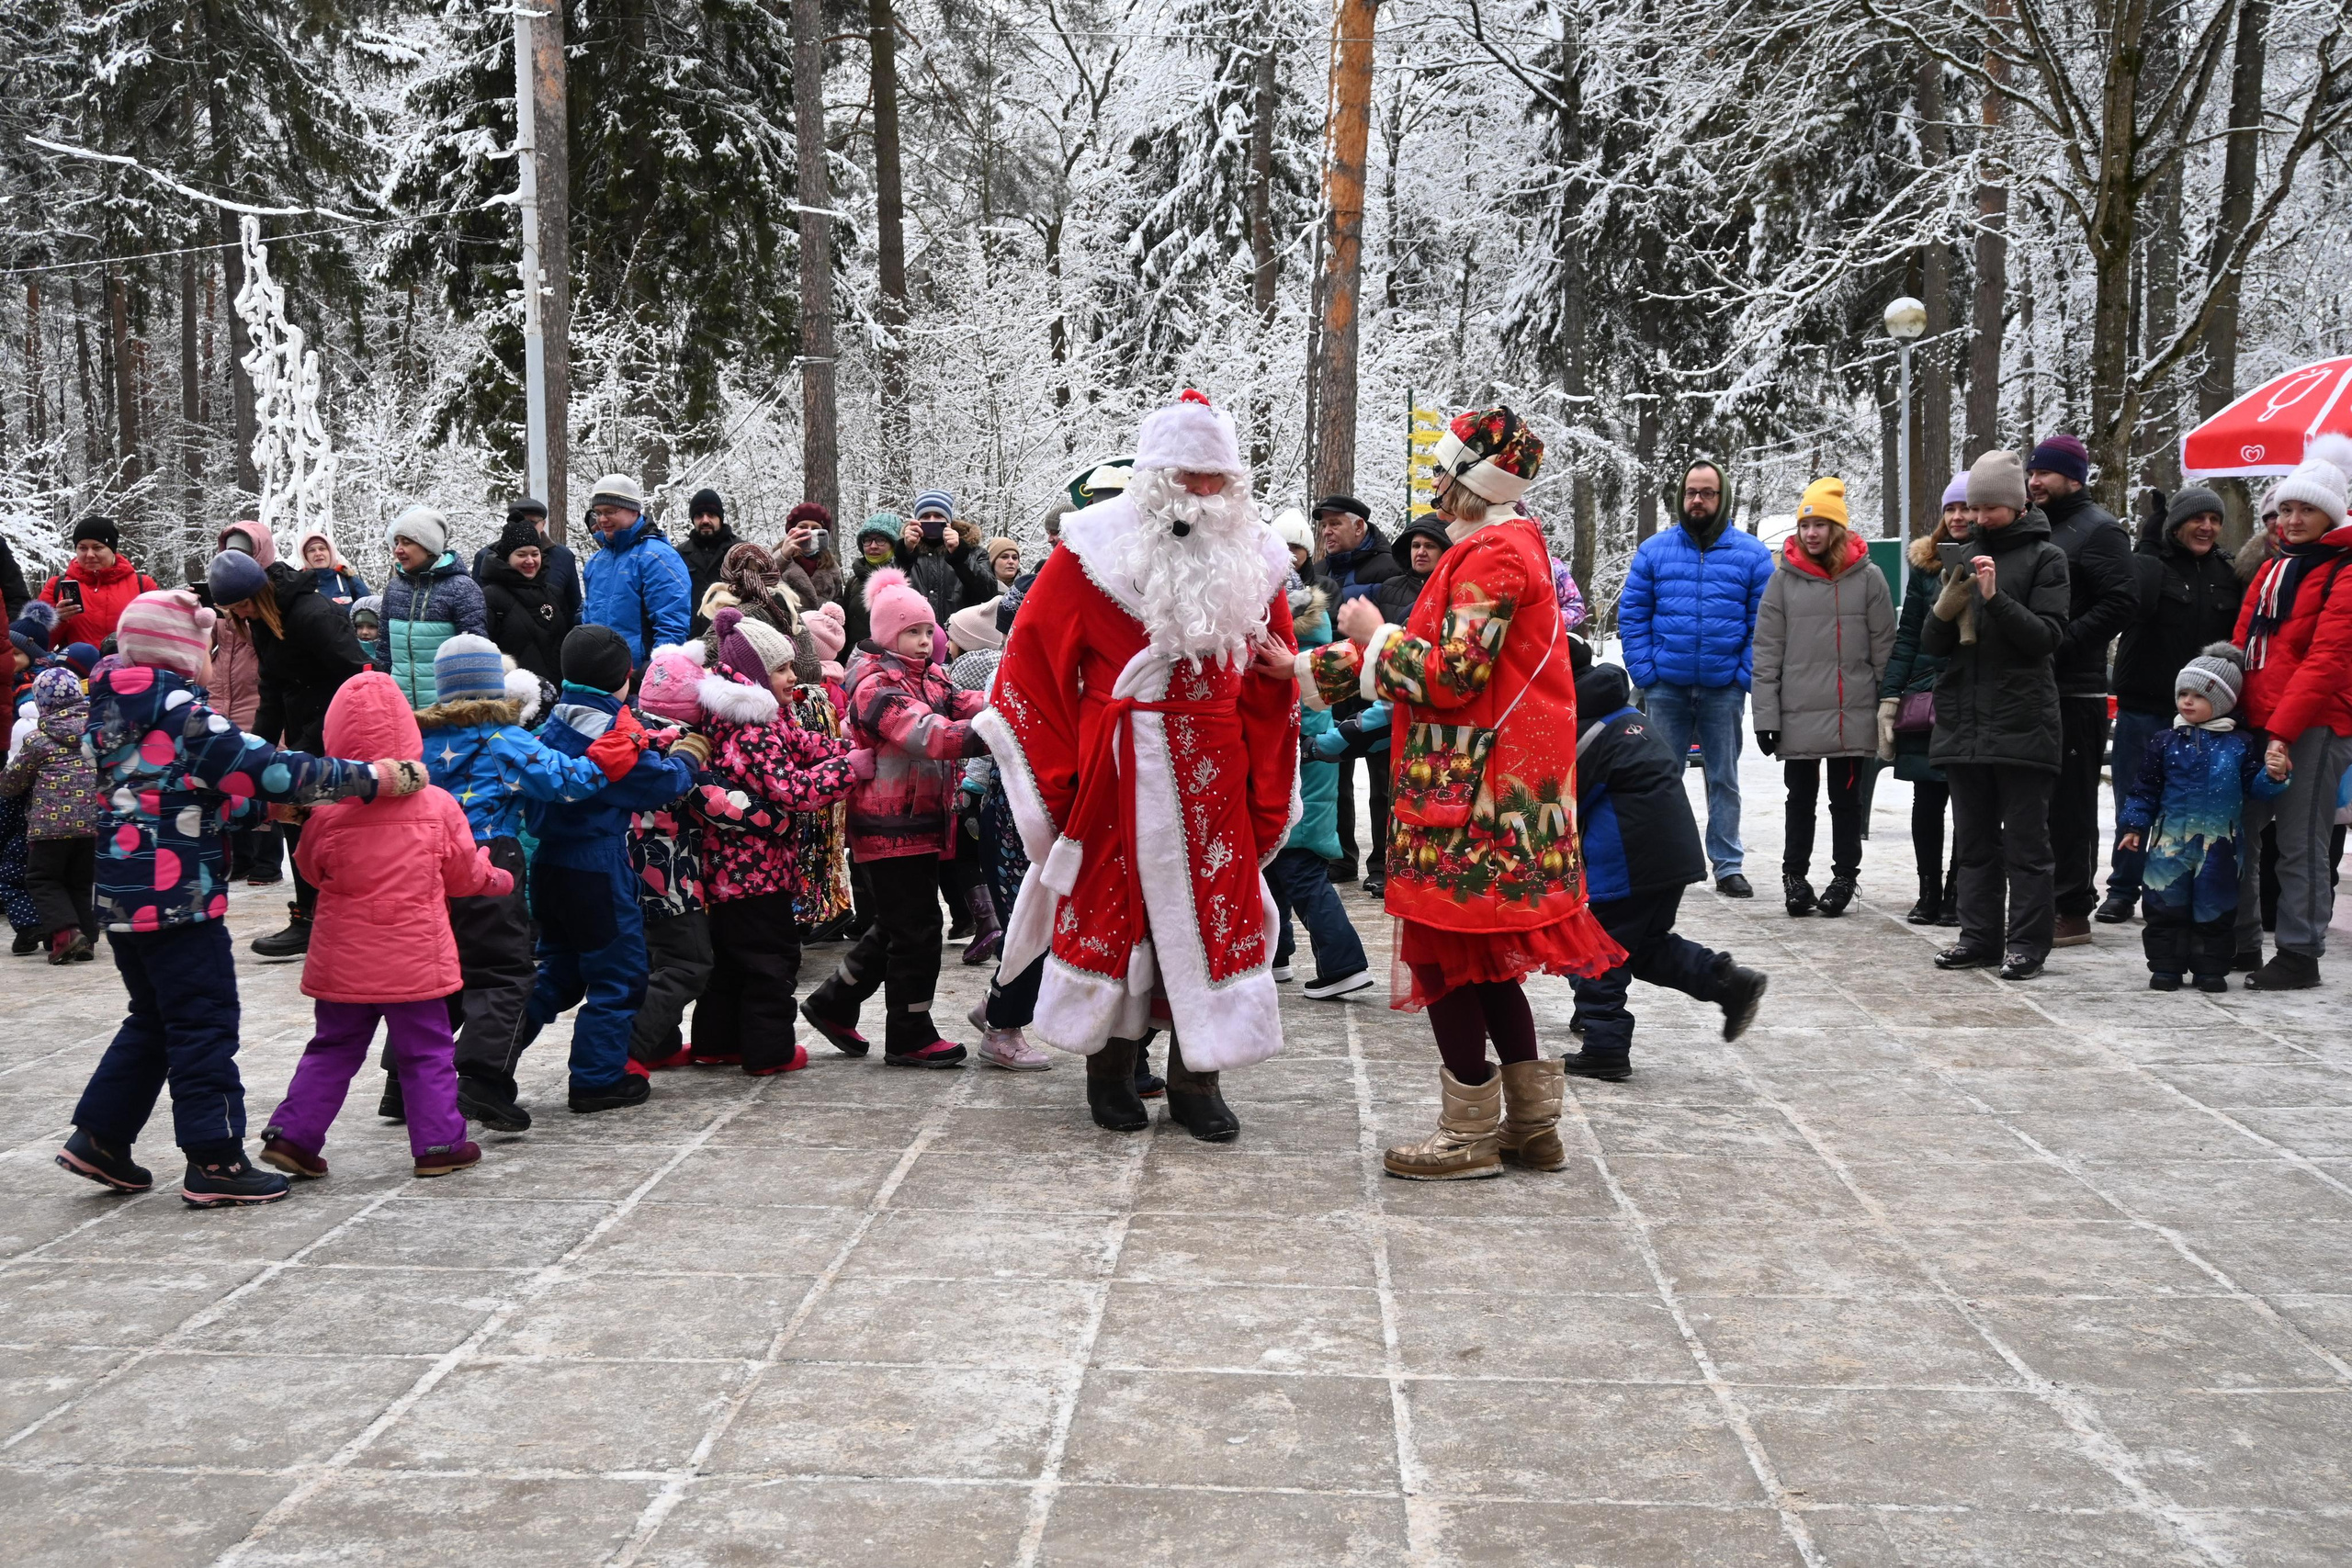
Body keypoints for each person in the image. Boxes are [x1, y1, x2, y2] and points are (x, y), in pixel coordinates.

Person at [1296, 407, 1623, 1179]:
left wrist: (1373, 632)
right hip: (1486, 790)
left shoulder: (1491, 557)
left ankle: (1468, 1133)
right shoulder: (1506, 546)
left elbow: (1447, 672)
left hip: (1471, 800)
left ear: (1473, 481)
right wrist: (1308, 674)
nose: (1434, 483)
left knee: (1446, 962)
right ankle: (1533, 1126)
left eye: (1444, 470)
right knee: (1488, 965)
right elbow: (1437, 654)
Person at [977, 390, 1299, 1140]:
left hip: (1215, 769)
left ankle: (1198, 1077)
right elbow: (1031, 662)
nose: (1201, 492)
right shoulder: (1089, 551)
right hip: (1119, 768)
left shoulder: (1257, 560)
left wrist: (1265, 783)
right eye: (1187, 474)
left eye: (1215, 477)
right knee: (1122, 914)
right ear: (1154, 473)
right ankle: (1110, 1067)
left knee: (1216, 913)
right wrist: (1057, 780)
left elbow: (1272, 682)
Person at [53, 589, 424, 1208]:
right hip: (178, 902)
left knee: (154, 1018)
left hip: (122, 897)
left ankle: (100, 1136)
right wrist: (371, 777)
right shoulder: (180, 712)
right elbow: (271, 767)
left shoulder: (117, 712)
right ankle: (215, 1158)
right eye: (206, 646)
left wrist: (261, 809)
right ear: (181, 652)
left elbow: (177, 789)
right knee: (203, 1021)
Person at [255, 672, 510, 1183]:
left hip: (343, 959)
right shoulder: (437, 806)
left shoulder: (329, 813)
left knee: (332, 1048)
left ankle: (293, 1138)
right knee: (427, 1052)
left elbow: (309, 870)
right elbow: (462, 876)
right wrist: (496, 877)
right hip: (415, 959)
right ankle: (439, 1143)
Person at [402, 636, 636, 1132]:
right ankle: (483, 1079)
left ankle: (403, 1082)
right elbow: (563, 781)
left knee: (444, 973)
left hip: (431, 866)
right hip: (491, 862)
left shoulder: (421, 740)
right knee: (503, 973)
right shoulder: (499, 735)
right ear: (492, 683)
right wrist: (608, 759)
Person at [509, 626, 706, 1114]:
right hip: (594, 866)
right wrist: (687, 757)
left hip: (550, 868)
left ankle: (486, 1059)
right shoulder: (607, 730)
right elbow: (654, 784)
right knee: (620, 974)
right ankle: (597, 1079)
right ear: (626, 677)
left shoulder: (552, 722)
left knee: (560, 971)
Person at [799, 570, 989, 1068]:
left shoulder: (928, 675)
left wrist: (1005, 703)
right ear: (887, 634)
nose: (925, 640)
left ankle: (832, 1002)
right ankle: (910, 1031)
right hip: (889, 826)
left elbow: (959, 703)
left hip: (921, 822)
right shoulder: (876, 685)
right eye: (913, 632)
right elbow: (929, 734)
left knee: (899, 924)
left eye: (929, 631)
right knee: (918, 932)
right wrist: (992, 731)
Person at [1566, 645, 1769, 1080]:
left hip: (1628, 860)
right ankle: (1728, 983)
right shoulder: (1621, 714)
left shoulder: (1583, 730)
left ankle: (1605, 1046)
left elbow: (1558, 802)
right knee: (1643, 945)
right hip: (1668, 855)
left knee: (1598, 949)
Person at [692, 609, 867, 1073]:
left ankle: (717, 1042)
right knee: (772, 959)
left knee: (731, 960)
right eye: (782, 669)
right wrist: (853, 769)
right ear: (754, 675)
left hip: (730, 870)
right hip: (755, 871)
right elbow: (794, 789)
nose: (794, 677)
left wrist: (844, 745)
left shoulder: (756, 715)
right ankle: (769, 1051)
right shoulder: (754, 728)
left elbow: (803, 745)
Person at [1924, 450, 2072, 981]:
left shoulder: (2046, 558)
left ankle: (2028, 943)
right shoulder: (1959, 554)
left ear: (2015, 505)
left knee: (2028, 845)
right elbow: (1932, 645)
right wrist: (1945, 607)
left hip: (2023, 720)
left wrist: (1995, 598)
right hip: (1965, 721)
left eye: (1989, 508)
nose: (1978, 518)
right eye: (1972, 507)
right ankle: (1978, 937)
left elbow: (2047, 638)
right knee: (1973, 842)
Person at [1617, 459, 1776, 897]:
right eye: (1692, 492)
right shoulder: (1654, 550)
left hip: (1723, 688)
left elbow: (1763, 622)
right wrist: (1647, 673)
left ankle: (1727, 864)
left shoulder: (1751, 554)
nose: (1698, 500)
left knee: (1722, 777)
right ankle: (1664, 862)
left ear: (1722, 497)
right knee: (1662, 776)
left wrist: (1742, 674)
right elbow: (1632, 615)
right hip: (1665, 687)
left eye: (1707, 492)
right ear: (1681, 497)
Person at [208, 546, 373, 963]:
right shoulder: (263, 621)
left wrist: (316, 738)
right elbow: (273, 687)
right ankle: (311, 916)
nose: (241, 615)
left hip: (340, 731)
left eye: (243, 604)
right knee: (292, 812)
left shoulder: (313, 615)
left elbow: (358, 677)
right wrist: (258, 752)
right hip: (305, 733)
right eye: (232, 610)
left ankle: (339, 916)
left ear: (260, 591)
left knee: (335, 823)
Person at [2232, 434, 2352, 989]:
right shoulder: (2272, 569)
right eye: (2287, 508)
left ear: (2331, 514)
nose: (2294, 518)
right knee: (2241, 831)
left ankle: (2300, 952)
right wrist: (2224, 710)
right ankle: (2241, 939)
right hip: (2256, 719)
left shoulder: (2345, 569)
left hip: (2316, 722)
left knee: (2301, 840)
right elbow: (2243, 647)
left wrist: (2281, 731)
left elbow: (2328, 658)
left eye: (2307, 509)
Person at [2099, 486, 2248, 925]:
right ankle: (2123, 889)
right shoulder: (2151, 564)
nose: (2207, 527)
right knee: (2136, 800)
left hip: (2207, 716)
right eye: (2197, 519)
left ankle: (2177, 890)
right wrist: (2147, 545)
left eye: (2215, 521)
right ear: (2176, 524)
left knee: (2192, 806)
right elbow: (2136, 604)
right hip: (2145, 705)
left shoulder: (2228, 571)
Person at [1750, 478, 1894, 918]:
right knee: (1800, 798)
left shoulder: (1869, 579)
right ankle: (1795, 877)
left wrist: (1889, 709)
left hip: (1852, 712)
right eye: (1805, 524)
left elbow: (1884, 647)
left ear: (1838, 528)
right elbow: (1767, 652)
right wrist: (1765, 717)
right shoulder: (1782, 581)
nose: (1811, 533)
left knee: (1846, 800)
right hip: (1798, 713)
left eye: (1820, 524)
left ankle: (1844, 876)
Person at [2117, 644, 2290, 993]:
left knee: (2216, 907)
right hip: (2169, 844)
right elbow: (2145, 788)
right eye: (2183, 693)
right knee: (2164, 904)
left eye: (2199, 695)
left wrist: (2274, 776)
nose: (2187, 701)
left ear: (2224, 701)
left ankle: (2211, 969)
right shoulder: (2165, 741)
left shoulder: (2239, 744)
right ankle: (2166, 966)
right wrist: (2135, 825)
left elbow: (2253, 787)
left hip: (2220, 846)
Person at [2026, 434, 2138, 947]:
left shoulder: (2100, 530)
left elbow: (2120, 603)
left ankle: (2072, 908)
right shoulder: (2035, 526)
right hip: (2033, 685)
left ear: (2075, 477)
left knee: (2071, 804)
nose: (2034, 481)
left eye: (2045, 473)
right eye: (2032, 472)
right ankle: (2037, 900)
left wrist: (2059, 642)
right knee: (2037, 804)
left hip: (2077, 689)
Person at [1879, 475, 1971, 925]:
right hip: (1926, 696)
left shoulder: (1996, 561)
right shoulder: (1926, 566)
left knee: (1968, 800)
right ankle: (1928, 890)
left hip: (1973, 697)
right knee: (1927, 798)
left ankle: (1958, 891)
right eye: (1950, 509)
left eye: (1966, 508)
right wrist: (1892, 694)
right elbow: (1908, 635)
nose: (1957, 517)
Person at [1278, 588, 1374, 998]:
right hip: (1307, 771)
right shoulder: (1319, 648)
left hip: (1297, 772)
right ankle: (1275, 955)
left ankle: (1344, 964)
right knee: (1274, 866)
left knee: (1299, 867)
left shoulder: (1295, 655)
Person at [1311, 493, 1402, 888]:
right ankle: (1341, 858)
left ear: (1359, 526)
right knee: (1336, 775)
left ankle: (1382, 865)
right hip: (1336, 683)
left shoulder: (1390, 568)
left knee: (1383, 783)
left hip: (1380, 684)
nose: (1327, 532)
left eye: (1335, 524)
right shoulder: (1318, 573)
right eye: (1323, 525)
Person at [0, 667, 99, 963]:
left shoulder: (38, 740)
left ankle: (66, 935)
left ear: (43, 703)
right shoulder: (96, 733)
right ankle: (87, 940)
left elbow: (10, 783)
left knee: (43, 879)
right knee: (80, 881)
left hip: (50, 826)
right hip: (93, 823)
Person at [206, 527, 275, 886]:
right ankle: (242, 856)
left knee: (263, 773)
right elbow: (208, 643)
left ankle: (268, 860)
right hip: (223, 694)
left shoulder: (263, 598)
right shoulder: (222, 602)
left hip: (255, 693)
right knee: (232, 776)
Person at [378, 505, 490, 709]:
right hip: (401, 710)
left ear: (428, 546)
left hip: (447, 713)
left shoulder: (462, 588)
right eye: (397, 542)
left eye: (407, 542)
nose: (398, 550)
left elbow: (475, 657)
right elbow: (385, 650)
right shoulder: (394, 588)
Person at [580, 473, 692, 670]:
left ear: (633, 510)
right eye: (598, 512)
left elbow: (672, 627)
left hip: (639, 680)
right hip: (601, 679)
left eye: (610, 511)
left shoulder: (658, 557)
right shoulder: (595, 562)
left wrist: (652, 674)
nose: (602, 519)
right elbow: (588, 624)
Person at [479, 513, 572, 685]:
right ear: (507, 558)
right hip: (514, 696)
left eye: (535, 554)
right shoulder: (490, 597)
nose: (530, 561)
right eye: (521, 554)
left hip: (557, 693)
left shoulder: (554, 594)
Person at [40, 517, 157, 648]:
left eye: (98, 547)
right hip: (76, 666)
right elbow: (38, 643)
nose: (90, 554)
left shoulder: (143, 585)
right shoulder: (56, 586)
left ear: (112, 550)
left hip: (127, 667)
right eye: (83, 548)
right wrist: (58, 619)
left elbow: (159, 635)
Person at [471, 497, 582, 626]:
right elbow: (478, 607)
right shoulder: (487, 556)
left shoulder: (563, 556)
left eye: (532, 522)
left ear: (543, 524)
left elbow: (572, 605)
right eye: (519, 520)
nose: (525, 526)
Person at [900, 491, 995, 625]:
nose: (932, 521)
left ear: (948, 521)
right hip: (915, 638)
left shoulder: (974, 552)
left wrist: (959, 556)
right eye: (925, 517)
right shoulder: (906, 552)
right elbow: (886, 593)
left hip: (961, 639)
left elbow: (989, 593)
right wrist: (905, 553)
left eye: (938, 516)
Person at [678, 488, 741, 634]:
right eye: (699, 515)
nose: (705, 520)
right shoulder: (678, 555)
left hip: (732, 636)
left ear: (720, 518)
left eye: (711, 515)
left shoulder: (740, 551)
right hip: (691, 639)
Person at [844, 513, 907, 647]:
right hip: (855, 662)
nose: (873, 546)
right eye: (867, 540)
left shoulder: (906, 579)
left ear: (893, 545)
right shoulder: (853, 583)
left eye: (880, 540)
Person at [1376, 520, 1447, 625]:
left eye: (1430, 546)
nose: (1420, 552)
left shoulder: (1454, 590)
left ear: (1445, 552)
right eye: (1416, 546)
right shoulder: (1389, 588)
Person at [780, 502, 847, 611]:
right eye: (802, 527)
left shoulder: (831, 568)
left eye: (815, 528)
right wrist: (782, 557)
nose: (809, 533)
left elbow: (839, 610)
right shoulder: (773, 559)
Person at [294, 528, 369, 608]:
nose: (318, 553)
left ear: (330, 552)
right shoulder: (299, 587)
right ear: (305, 557)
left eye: (322, 549)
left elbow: (371, 613)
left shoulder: (352, 583)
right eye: (311, 550)